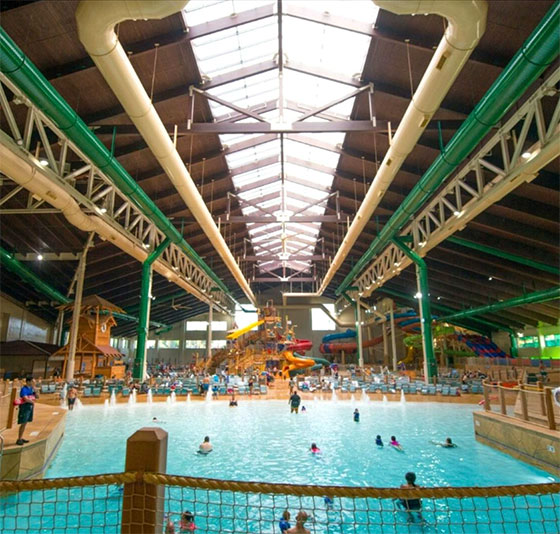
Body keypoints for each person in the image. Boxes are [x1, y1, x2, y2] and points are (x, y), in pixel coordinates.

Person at [16, 376, 38, 446]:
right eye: (32, 381)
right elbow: (25, 398)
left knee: (25, 423)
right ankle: (19, 439)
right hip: (24, 408)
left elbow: (37, 396)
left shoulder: (31, 388)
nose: (34, 383)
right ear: (28, 382)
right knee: (23, 423)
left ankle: (21, 437)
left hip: (29, 408)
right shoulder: (24, 389)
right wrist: (32, 402)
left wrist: (36, 391)